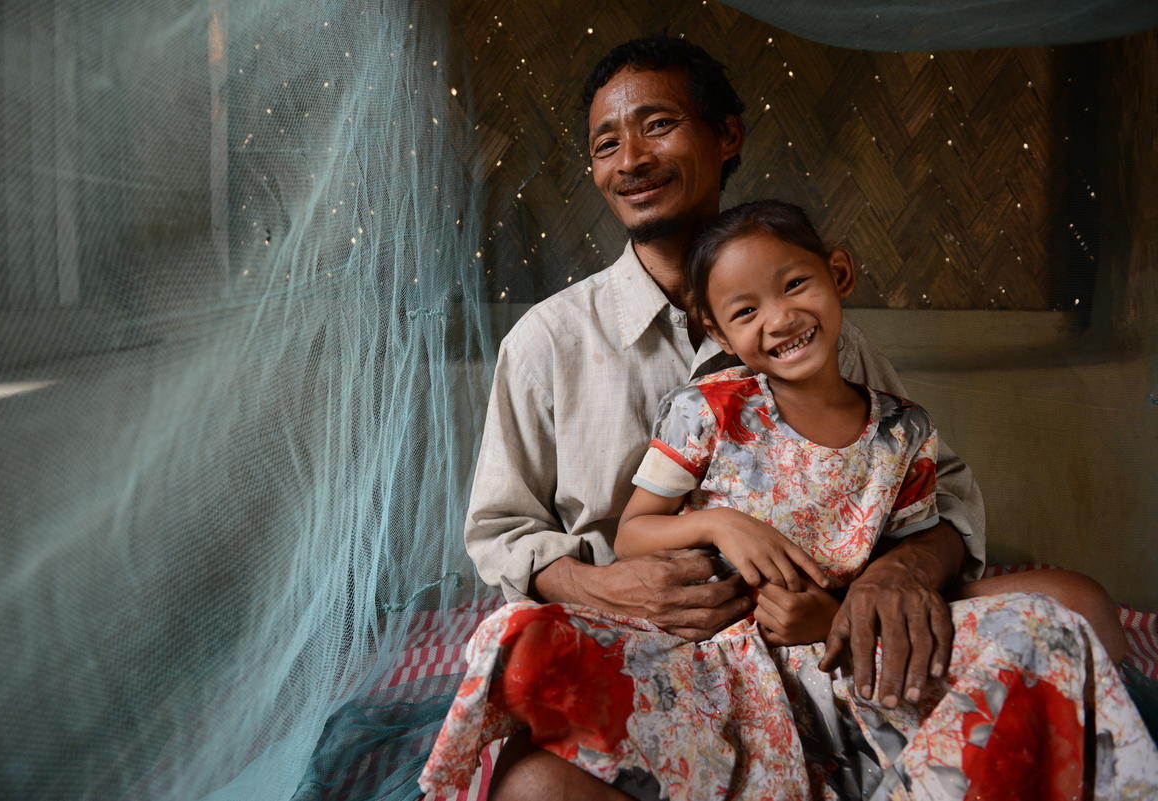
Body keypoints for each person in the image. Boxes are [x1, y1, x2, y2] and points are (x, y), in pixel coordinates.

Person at [421, 36, 1140, 800]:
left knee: (1079, 608)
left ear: (727, 135)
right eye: (606, 144)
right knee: (535, 790)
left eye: (657, 125)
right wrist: (612, 589)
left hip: (825, 624)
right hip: (667, 651)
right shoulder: (549, 342)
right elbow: (502, 535)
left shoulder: (822, 332)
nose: (630, 159)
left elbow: (940, 496)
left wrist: (893, 575)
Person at [614, 199, 944, 651]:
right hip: (710, 648)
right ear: (719, 334)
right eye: (746, 312)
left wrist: (833, 619)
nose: (781, 319)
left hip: (827, 642)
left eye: (794, 285)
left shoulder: (904, 431)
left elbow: (907, 558)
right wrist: (720, 525)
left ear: (839, 274)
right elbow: (631, 536)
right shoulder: (706, 411)